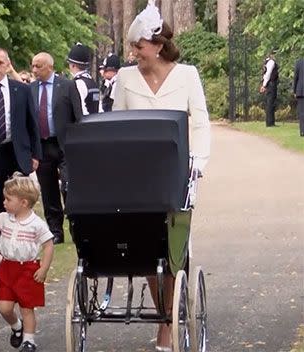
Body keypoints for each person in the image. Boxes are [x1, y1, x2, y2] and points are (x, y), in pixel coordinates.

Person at [114, 1, 211, 350]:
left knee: (170, 250)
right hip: (136, 175)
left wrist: (197, 161)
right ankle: (166, 314)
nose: (134, 52)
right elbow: (115, 125)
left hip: (174, 173)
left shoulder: (187, 75)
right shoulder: (125, 78)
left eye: (138, 46)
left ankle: (168, 323)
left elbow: (199, 121)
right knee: (144, 249)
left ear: (156, 44)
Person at [0, 173, 54, 352]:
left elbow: (49, 246)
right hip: (7, 268)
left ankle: (29, 341)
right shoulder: (5, 218)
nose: (4, 202)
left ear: (23, 203)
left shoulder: (37, 224)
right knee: (4, 308)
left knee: (27, 308)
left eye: (8, 199)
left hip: (27, 269)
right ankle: (16, 326)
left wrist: (43, 268)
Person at [0, 47, 42, 281]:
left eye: (0, 62)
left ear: (8, 65)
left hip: (15, 152)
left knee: (17, 205)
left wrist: (35, 154)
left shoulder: (21, 90)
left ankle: (21, 258)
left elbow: (32, 123)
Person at [30, 52, 83, 244]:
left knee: (69, 187)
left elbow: (78, 117)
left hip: (65, 145)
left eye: (39, 66)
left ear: (50, 67)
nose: (34, 70)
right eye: (33, 66)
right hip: (43, 146)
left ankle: (76, 226)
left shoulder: (67, 86)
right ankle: (55, 230)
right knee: (48, 191)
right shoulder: (32, 89)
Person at [66, 43, 100, 116]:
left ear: (73, 65)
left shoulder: (78, 84)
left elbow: (81, 110)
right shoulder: (92, 82)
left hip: (85, 125)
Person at [260, 49, 279, 127]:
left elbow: (264, 75)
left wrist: (264, 84)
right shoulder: (271, 62)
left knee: (270, 102)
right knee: (270, 103)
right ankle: (270, 122)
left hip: (268, 83)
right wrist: (264, 85)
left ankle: (270, 121)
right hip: (271, 84)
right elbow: (268, 74)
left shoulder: (266, 62)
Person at [293, 58, 304, 136]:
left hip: (301, 90)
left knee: (302, 112)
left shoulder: (299, 62)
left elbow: (295, 78)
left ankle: (302, 131)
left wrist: (294, 90)